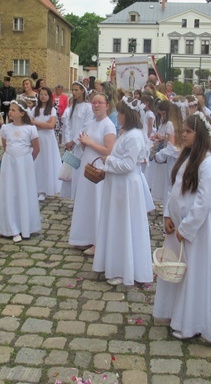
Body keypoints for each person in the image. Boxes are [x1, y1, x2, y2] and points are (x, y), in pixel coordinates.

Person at [153, 112, 211, 343]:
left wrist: (185, 229)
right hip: (177, 227)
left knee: (195, 273)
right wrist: (168, 213)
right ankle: (176, 312)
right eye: (183, 130)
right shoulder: (186, 158)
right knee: (178, 271)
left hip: (197, 231)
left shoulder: (208, 164)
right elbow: (174, 189)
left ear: (200, 135)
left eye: (187, 131)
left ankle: (193, 321)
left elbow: (203, 202)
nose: (182, 134)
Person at [93, 97, 153, 286]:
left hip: (126, 186)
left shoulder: (134, 136)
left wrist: (107, 161)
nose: (117, 116)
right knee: (117, 224)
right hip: (118, 185)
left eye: (119, 113)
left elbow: (128, 165)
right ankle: (115, 263)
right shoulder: (127, 134)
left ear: (127, 115)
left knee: (125, 225)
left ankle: (123, 268)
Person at [69, 92, 116, 254]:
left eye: (100, 103)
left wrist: (89, 142)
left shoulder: (108, 125)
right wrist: (83, 143)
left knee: (97, 203)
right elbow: (85, 143)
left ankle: (98, 241)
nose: (96, 105)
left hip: (99, 167)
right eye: (94, 103)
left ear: (107, 105)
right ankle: (84, 237)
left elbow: (108, 151)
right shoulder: (89, 123)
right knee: (85, 201)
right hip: (86, 164)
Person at [0, 99, 41, 242]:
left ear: (22, 113)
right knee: (10, 191)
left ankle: (26, 226)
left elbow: (36, 148)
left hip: (24, 163)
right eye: (10, 110)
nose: (10, 112)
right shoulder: (5, 128)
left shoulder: (30, 129)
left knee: (24, 191)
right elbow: (5, 145)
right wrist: (12, 158)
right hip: (10, 162)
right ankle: (11, 227)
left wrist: (26, 161)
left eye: (14, 110)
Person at [60, 82, 94, 199]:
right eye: (72, 90)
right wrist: (68, 140)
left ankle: (82, 198)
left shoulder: (88, 108)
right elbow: (68, 124)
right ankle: (74, 197)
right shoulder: (71, 108)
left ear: (82, 91)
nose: (73, 92)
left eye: (76, 90)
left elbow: (87, 126)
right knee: (74, 171)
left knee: (81, 171)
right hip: (73, 145)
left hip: (81, 144)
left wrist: (74, 141)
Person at [32, 87, 62, 201]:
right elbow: (30, 123)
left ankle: (45, 189)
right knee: (38, 163)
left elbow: (51, 126)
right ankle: (37, 188)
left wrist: (36, 123)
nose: (43, 96)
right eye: (41, 94)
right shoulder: (34, 109)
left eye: (45, 94)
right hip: (37, 137)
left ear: (49, 96)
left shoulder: (52, 110)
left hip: (48, 139)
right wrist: (42, 124)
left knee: (47, 162)